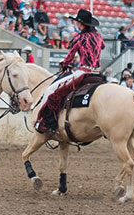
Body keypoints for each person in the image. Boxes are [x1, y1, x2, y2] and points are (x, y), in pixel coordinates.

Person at [35, 8, 103, 136]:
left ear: (81, 24)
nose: (76, 24)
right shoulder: (98, 36)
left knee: (51, 91)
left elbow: (70, 56)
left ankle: (46, 123)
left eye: (77, 22)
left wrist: (64, 65)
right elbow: (102, 46)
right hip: (97, 73)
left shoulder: (79, 38)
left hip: (83, 72)